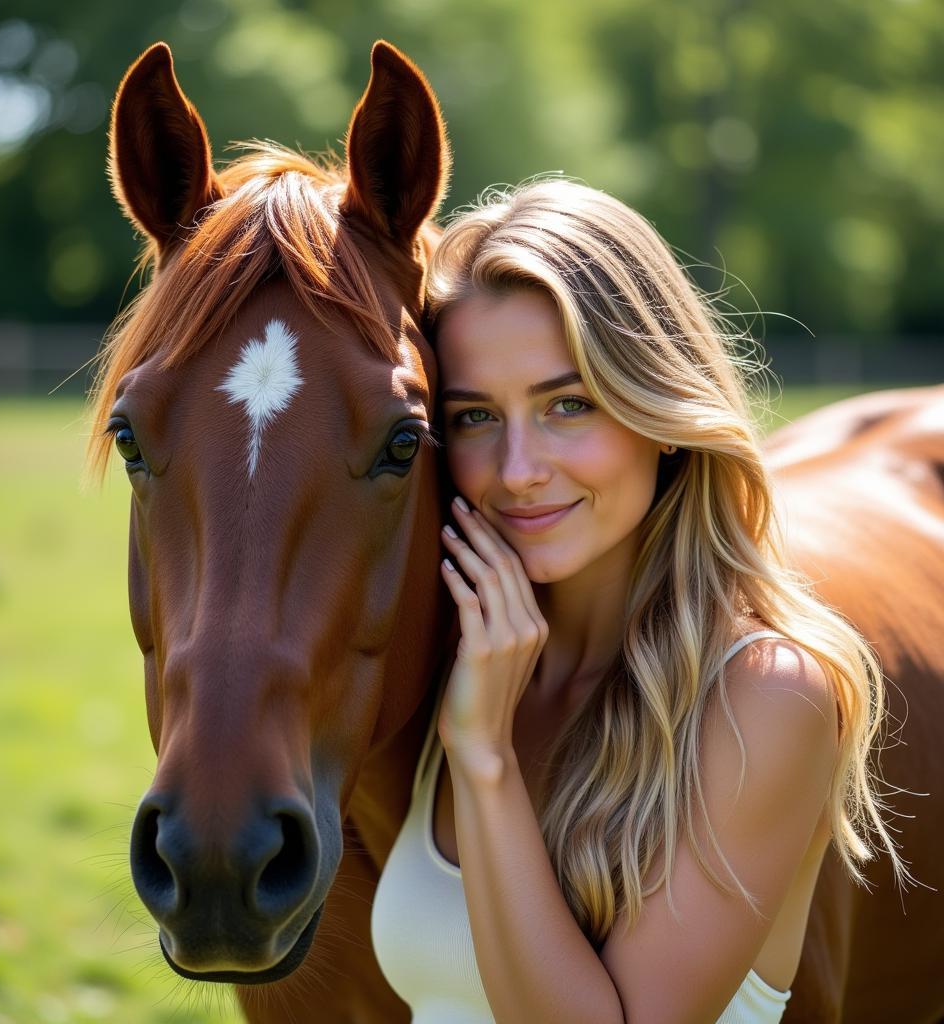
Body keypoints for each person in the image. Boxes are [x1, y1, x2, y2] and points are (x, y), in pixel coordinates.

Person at [369, 178, 907, 1023]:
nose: (518, 470)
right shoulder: (468, 660)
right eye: (475, 417)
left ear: (657, 406)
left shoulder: (763, 696)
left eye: (568, 404)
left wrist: (483, 759)